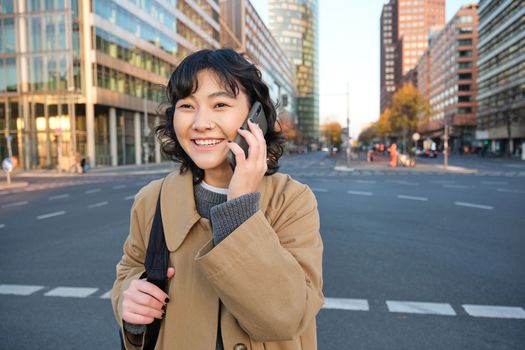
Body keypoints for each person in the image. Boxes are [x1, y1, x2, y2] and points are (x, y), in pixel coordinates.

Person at [111, 48, 324, 350]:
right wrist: (128, 305)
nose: (200, 123)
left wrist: (240, 210)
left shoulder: (291, 200)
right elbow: (128, 274)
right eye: (187, 106)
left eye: (220, 104)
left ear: (256, 116)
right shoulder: (152, 200)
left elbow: (287, 318)